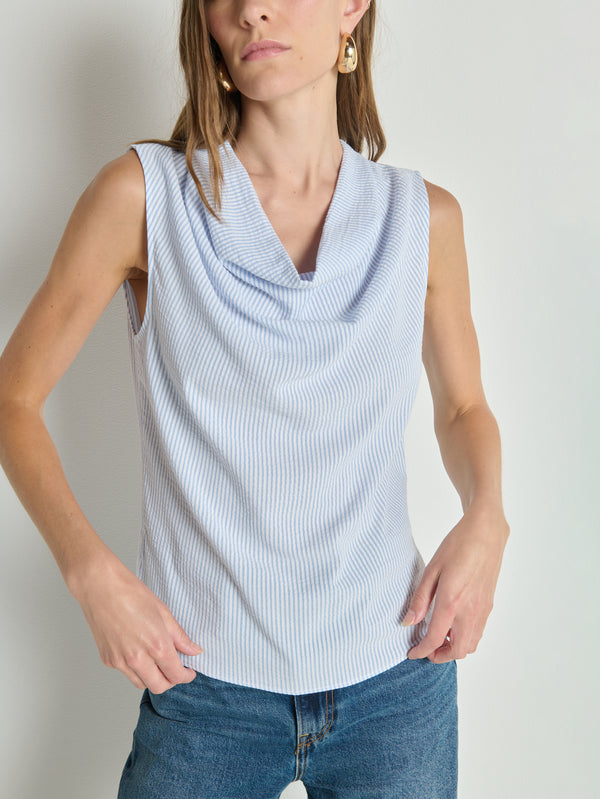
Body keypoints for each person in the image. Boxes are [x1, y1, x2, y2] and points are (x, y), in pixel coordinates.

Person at [0, 1, 510, 797]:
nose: (252, 9)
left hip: (396, 678)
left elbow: (463, 408)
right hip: (205, 696)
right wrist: (89, 571)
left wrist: (487, 518)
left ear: (353, 7)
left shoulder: (422, 217)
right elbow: (14, 397)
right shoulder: (143, 197)